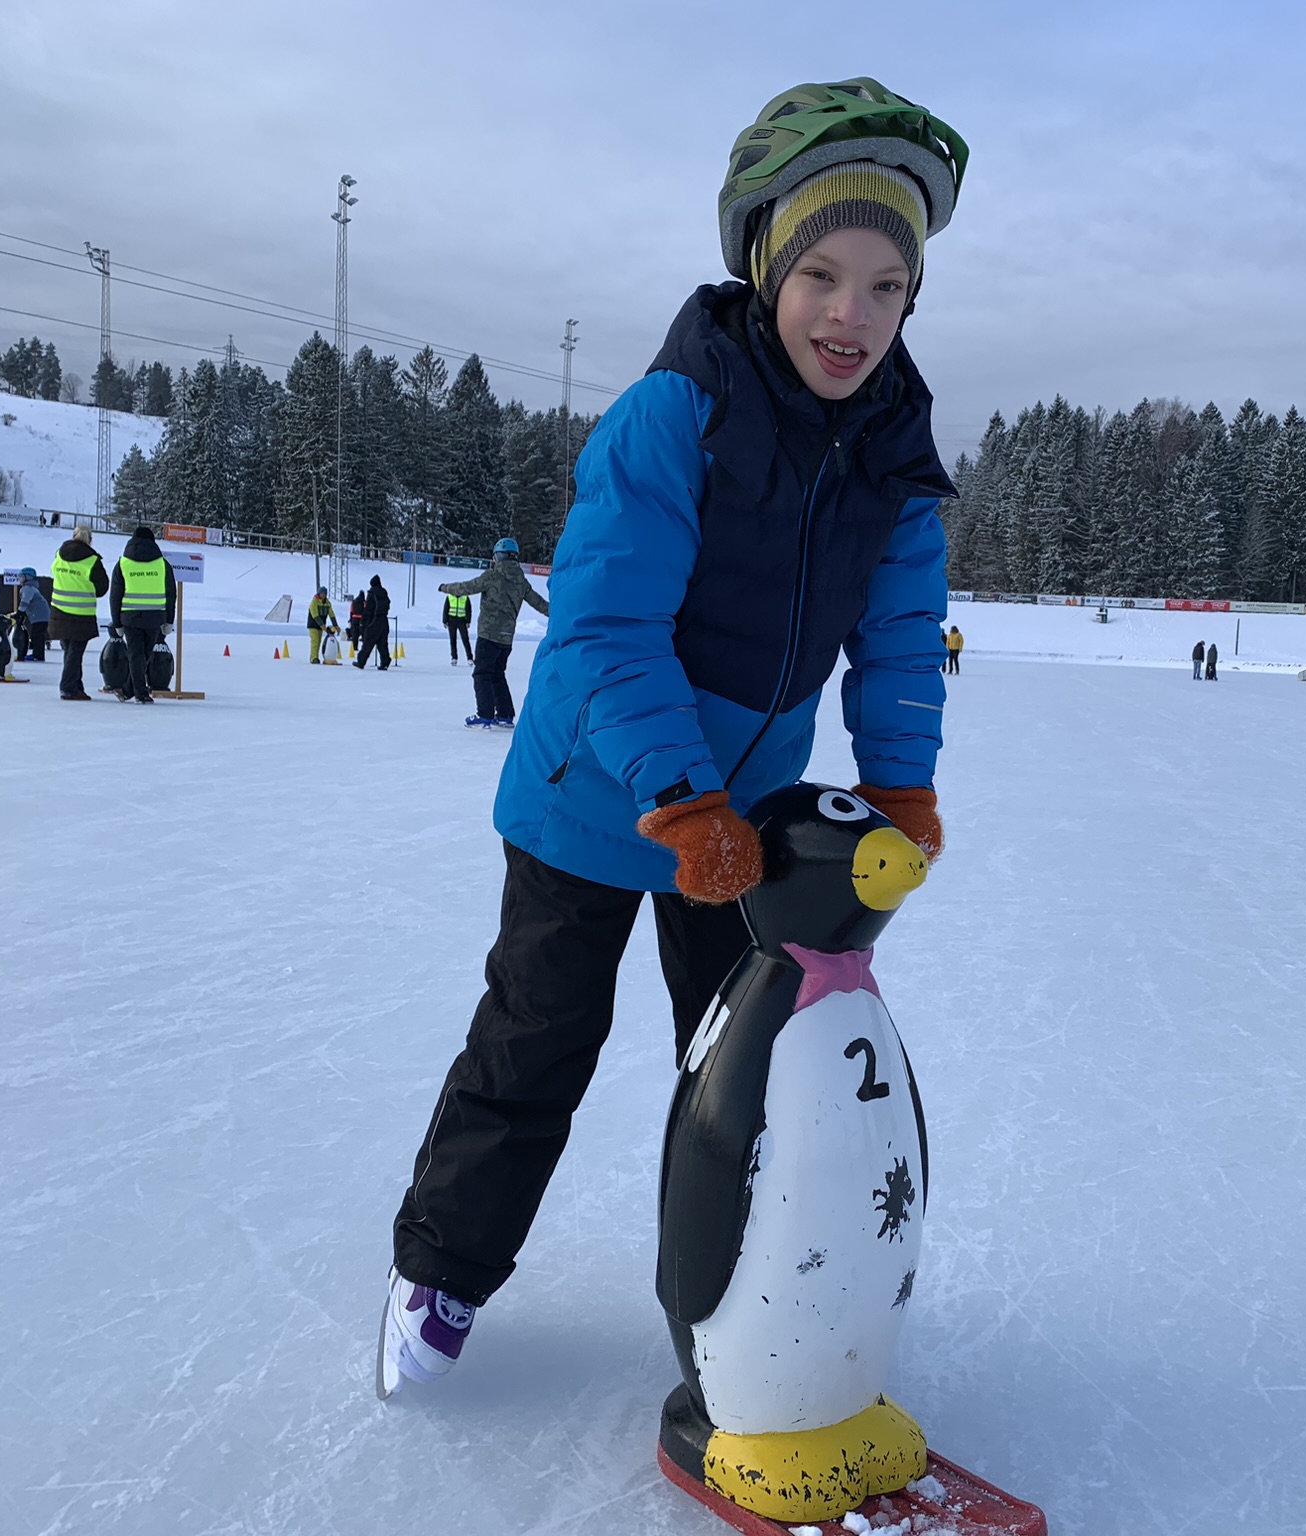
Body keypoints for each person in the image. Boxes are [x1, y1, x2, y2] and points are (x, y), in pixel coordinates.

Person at [384, 76, 964, 1386]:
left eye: (889, 287)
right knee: (540, 1038)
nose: (852, 315)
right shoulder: (673, 414)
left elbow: (897, 637)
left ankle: (749, 1307)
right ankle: (439, 1278)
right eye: (825, 274)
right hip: (598, 792)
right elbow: (601, 630)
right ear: (766, 263)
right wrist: (682, 796)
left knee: (757, 1073)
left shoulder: (895, 455)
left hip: (745, 818)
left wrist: (902, 788)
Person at [438, 538, 550, 727]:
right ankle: (505, 714)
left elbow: (466, 587)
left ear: (499, 556)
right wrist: (559, 613)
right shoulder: (521, 581)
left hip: (489, 634)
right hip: (506, 639)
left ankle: (485, 714)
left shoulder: (492, 576)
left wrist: (445, 587)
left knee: (481, 674)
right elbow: (539, 603)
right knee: (498, 674)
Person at [106, 525, 179, 704]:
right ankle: (139, 693)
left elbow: (115, 595)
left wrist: (117, 622)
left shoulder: (123, 563)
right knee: (143, 655)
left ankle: (131, 691)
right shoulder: (162, 564)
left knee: (137, 655)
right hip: (155, 617)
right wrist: (169, 619)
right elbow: (171, 593)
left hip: (130, 617)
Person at [49, 526, 109, 700]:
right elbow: (102, 588)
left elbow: (54, 573)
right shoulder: (92, 560)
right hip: (81, 612)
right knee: (75, 651)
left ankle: (76, 685)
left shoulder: (59, 554)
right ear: (89, 539)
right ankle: (68, 687)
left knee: (69, 650)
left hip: (59, 609)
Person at [356, 574, 392, 670]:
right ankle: (385, 662)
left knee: (368, 642)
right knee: (382, 644)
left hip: (374, 621)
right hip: (384, 621)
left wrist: (364, 621)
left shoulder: (372, 593)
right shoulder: (384, 592)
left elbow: (369, 609)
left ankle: (361, 661)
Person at [14, 568, 51, 661]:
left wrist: (19, 612)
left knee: (36, 635)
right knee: (38, 635)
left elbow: (25, 602)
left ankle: (37, 655)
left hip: (39, 616)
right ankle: (38, 654)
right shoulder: (31, 588)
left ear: (28, 578)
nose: (19, 579)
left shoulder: (28, 588)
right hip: (41, 616)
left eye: (21, 577)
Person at [306, 586, 338, 663]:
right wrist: (322, 625)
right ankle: (313, 658)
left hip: (321, 625)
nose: (323, 595)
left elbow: (331, 614)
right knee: (315, 641)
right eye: (321, 593)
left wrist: (335, 625)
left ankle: (316, 657)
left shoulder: (328, 603)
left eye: (324, 593)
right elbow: (315, 615)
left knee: (319, 641)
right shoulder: (314, 602)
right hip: (313, 624)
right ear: (318, 593)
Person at [444, 589, 475, 665]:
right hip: (451, 620)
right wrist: (445, 621)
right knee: (453, 640)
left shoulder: (465, 597)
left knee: (465, 639)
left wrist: (468, 621)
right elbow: (446, 609)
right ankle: (454, 658)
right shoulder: (449, 597)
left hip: (462, 621)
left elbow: (468, 610)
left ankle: (470, 658)